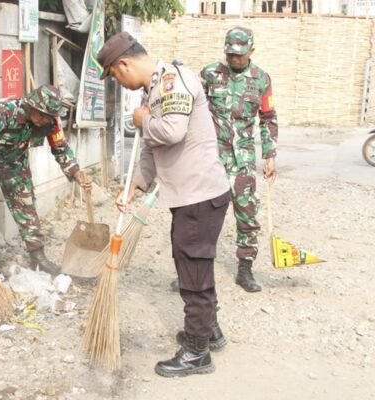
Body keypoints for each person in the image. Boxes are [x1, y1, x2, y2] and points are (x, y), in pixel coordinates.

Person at [97, 32, 231, 377]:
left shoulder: (173, 80)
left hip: (199, 194)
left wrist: (141, 120)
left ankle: (197, 352)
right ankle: (208, 329)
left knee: (193, 269)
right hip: (188, 195)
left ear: (124, 64)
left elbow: (170, 132)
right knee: (192, 264)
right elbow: (150, 149)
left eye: (114, 75)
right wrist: (135, 186)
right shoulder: (151, 91)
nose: (118, 82)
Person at [0, 84, 91, 288]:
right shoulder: (3, 111)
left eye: (50, 116)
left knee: (27, 207)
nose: (46, 120)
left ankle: (37, 257)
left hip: (15, 163)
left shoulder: (50, 122)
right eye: (42, 114)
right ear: (31, 105)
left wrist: (75, 171)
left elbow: (60, 148)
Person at [200, 26, 278, 293]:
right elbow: (195, 111)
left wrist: (269, 155)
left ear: (251, 51)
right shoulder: (210, 74)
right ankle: (195, 270)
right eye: (230, 54)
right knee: (204, 213)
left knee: (246, 213)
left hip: (243, 158)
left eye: (240, 55)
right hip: (212, 156)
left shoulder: (261, 79)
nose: (234, 59)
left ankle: (245, 269)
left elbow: (268, 118)